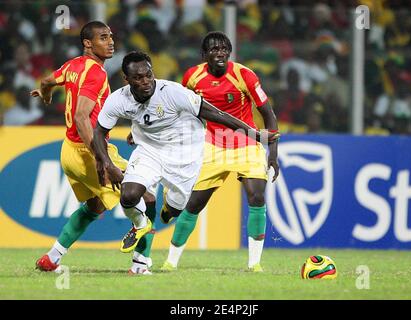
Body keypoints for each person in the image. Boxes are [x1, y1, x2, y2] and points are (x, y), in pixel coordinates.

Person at [91, 51, 279, 274]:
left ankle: (169, 206)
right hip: (149, 151)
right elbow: (99, 131)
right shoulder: (118, 100)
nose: (145, 81)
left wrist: (253, 134)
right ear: (127, 79)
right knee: (129, 195)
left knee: (177, 210)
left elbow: (216, 113)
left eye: (148, 75)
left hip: (183, 156)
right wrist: (107, 164)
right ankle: (141, 226)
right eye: (138, 78)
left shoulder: (172, 92)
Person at [30, 21, 153, 274]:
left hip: (68, 152)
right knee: (146, 194)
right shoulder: (95, 73)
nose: (110, 42)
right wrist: (102, 159)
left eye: (111, 37)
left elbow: (46, 81)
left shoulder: (73, 65)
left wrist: (45, 94)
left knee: (95, 206)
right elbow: (81, 117)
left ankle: (51, 258)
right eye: (103, 38)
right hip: (89, 152)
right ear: (88, 43)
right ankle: (141, 265)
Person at [161, 31, 279, 273]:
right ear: (204, 55)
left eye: (224, 48)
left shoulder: (244, 75)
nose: (220, 52)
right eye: (214, 49)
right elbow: (182, 110)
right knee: (193, 204)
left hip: (247, 145)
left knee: (257, 197)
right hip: (212, 146)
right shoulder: (192, 77)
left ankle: (254, 264)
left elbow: (269, 115)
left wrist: (273, 156)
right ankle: (170, 262)